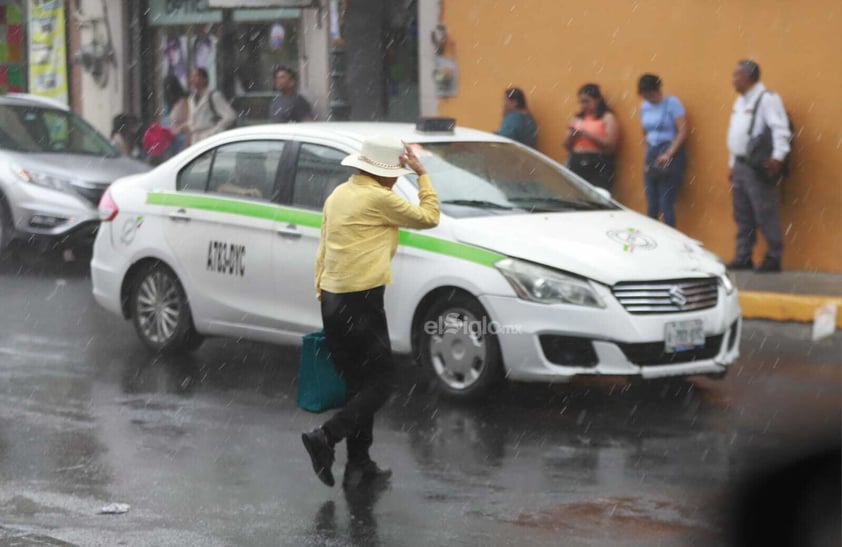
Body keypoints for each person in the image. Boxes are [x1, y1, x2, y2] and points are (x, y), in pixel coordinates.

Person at [302, 136, 439, 489]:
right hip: (360, 302)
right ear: (381, 173)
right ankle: (327, 436)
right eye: (393, 172)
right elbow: (430, 217)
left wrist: (323, 292)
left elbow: (322, 247)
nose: (396, 178)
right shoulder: (378, 198)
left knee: (357, 386)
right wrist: (421, 174)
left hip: (332, 298)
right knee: (382, 382)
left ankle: (358, 465)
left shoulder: (339, 194)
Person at [726, 60, 791, 273]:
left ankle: (773, 256)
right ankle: (743, 256)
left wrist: (778, 157)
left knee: (765, 212)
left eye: (737, 75)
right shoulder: (740, 101)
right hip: (740, 164)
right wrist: (732, 163)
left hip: (758, 166)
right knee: (742, 213)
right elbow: (738, 133)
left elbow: (780, 128)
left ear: (748, 78)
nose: (733, 79)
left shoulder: (767, 99)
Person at [638, 74, 689, 227]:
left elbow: (683, 130)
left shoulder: (672, 103)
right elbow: (645, 130)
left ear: (658, 89)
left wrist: (668, 153)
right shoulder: (644, 107)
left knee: (666, 201)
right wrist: (647, 148)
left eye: (651, 94)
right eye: (645, 95)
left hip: (670, 150)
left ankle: (670, 236)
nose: (649, 98)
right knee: (651, 201)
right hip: (652, 151)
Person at [564, 83, 620, 190]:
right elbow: (566, 145)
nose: (584, 105)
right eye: (581, 102)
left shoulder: (607, 117)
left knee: (598, 192)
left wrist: (588, 135)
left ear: (597, 100)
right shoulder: (578, 118)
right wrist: (572, 136)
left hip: (598, 161)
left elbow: (610, 144)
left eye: (587, 101)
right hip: (577, 159)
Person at [186, 68, 236, 144]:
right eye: (191, 77)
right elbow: (191, 120)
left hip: (210, 139)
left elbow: (230, 116)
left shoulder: (213, 96)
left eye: (196, 76)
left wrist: (214, 131)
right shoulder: (191, 99)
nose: (193, 79)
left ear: (204, 79)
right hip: (195, 140)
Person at [162, 74, 189, 156]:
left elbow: (189, 121)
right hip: (172, 142)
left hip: (182, 140)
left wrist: (180, 129)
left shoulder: (183, 102)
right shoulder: (168, 104)